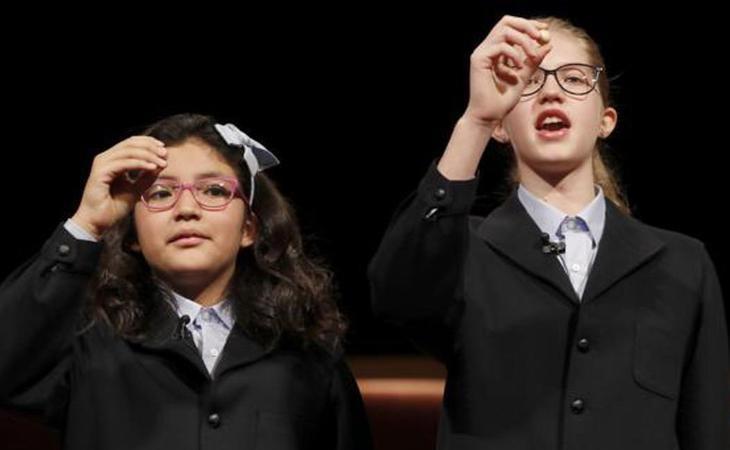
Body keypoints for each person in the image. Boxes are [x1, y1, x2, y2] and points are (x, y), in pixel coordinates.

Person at [368, 15, 729, 450]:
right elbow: (395, 291)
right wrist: (475, 121)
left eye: (575, 78)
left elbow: (706, 429)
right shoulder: (464, 252)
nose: (552, 92)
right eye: (530, 82)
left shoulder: (683, 265)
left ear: (606, 120)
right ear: (503, 124)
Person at [0, 113, 372, 450]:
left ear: (248, 228)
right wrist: (85, 225)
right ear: (131, 234)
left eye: (214, 191)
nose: (187, 209)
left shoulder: (307, 352)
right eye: (161, 193)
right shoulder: (86, 342)